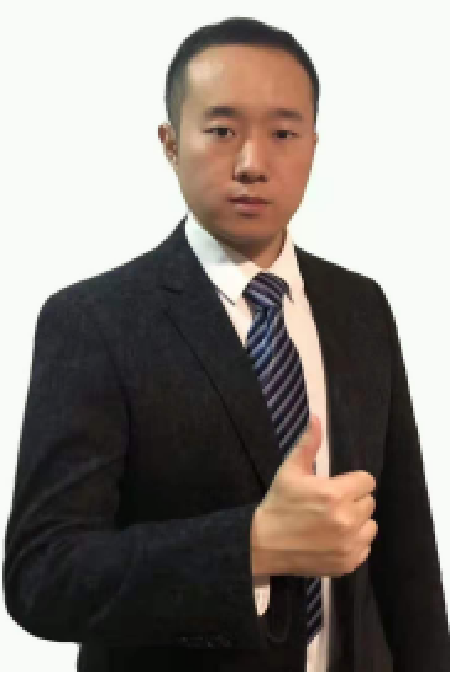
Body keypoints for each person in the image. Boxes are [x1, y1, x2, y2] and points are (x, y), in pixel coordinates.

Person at [3, 16, 449, 672]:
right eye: (221, 131)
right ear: (170, 143)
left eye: (283, 133)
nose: (252, 163)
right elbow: (44, 575)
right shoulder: (94, 321)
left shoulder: (361, 307)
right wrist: (251, 548)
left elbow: (406, 550)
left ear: (313, 146)